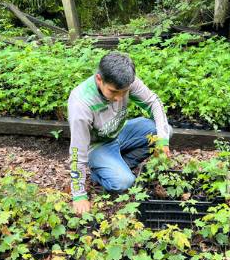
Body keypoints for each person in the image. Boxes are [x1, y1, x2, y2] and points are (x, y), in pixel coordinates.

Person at [68, 51, 172, 214]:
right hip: (97, 145)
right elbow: (77, 152)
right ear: (99, 79)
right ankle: (100, 172)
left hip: (120, 130)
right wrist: (79, 195)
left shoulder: (126, 81)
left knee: (163, 131)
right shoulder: (81, 104)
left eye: (124, 92)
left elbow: (154, 102)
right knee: (124, 182)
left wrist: (162, 141)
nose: (119, 98)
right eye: (113, 92)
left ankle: (118, 163)